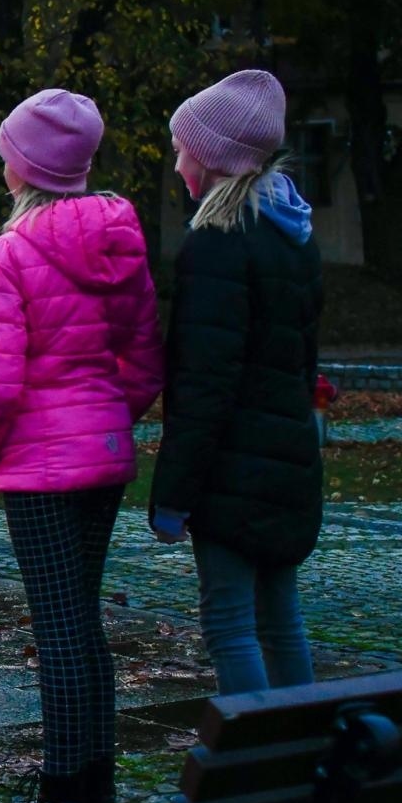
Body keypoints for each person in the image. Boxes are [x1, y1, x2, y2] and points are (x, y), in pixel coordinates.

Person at [0, 89, 165, 803]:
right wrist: (107, 424)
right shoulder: (122, 241)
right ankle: (95, 789)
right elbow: (144, 364)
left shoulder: (7, 255)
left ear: (24, 167)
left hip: (39, 473)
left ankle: (62, 799)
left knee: (60, 629)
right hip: (102, 461)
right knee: (83, 624)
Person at [151, 69, 323, 697]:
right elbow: (300, 364)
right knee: (281, 619)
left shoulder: (217, 246)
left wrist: (172, 497)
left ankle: (258, 765)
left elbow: (202, 387)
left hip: (232, 475)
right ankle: (305, 754)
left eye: (182, 148)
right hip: (287, 465)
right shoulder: (291, 236)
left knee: (229, 622)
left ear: (213, 156)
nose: (176, 164)